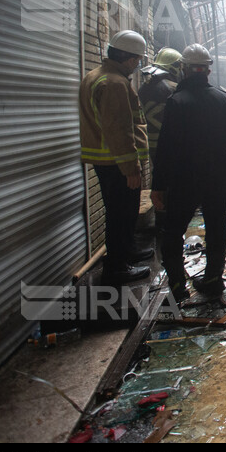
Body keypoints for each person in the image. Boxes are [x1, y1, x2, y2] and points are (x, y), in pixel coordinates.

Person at [151, 44, 226, 303]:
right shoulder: (225, 99)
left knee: (173, 231)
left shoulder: (176, 102)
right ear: (208, 70)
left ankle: (176, 285)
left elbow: (165, 148)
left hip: (184, 179)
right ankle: (213, 279)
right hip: (217, 178)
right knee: (216, 229)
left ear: (183, 69)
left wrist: (158, 186)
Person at [78, 29, 152, 286]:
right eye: (138, 60)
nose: (138, 65)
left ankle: (127, 252)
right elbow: (119, 129)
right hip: (118, 163)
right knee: (121, 214)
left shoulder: (95, 76)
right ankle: (117, 267)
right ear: (130, 59)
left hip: (107, 161)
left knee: (121, 212)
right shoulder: (115, 83)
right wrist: (131, 167)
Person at [138, 48, 182, 165]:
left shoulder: (144, 88)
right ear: (176, 66)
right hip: (171, 145)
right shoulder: (173, 88)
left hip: (150, 146)